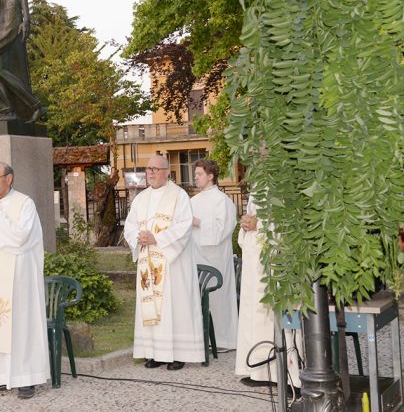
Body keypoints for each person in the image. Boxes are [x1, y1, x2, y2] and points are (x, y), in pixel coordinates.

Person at [0, 162, 49, 399]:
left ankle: (26, 378)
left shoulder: (25, 204)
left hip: (18, 277)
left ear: (9, 178)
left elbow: (22, 237)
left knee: (19, 324)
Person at [124, 154, 205, 370]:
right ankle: (155, 353)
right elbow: (130, 225)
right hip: (147, 263)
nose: (150, 172)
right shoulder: (140, 198)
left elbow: (184, 226)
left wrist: (157, 239)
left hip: (173, 265)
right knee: (151, 307)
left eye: (155, 169)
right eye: (148, 168)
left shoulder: (179, 196)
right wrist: (138, 238)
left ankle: (178, 354)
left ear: (166, 172)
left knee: (174, 307)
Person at [236, 196, 302, 387]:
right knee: (254, 312)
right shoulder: (258, 183)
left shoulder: (281, 173)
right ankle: (259, 370)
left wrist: (261, 223)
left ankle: (284, 375)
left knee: (271, 313)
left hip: (273, 259)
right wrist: (246, 222)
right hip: (255, 257)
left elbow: (288, 216)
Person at [190, 159, 238, 350]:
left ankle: (224, 339)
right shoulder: (192, 201)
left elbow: (223, 229)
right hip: (196, 254)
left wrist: (199, 222)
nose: (196, 177)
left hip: (217, 257)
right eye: (195, 174)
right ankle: (202, 338)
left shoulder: (222, 201)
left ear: (210, 176)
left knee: (218, 299)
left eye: (199, 174)